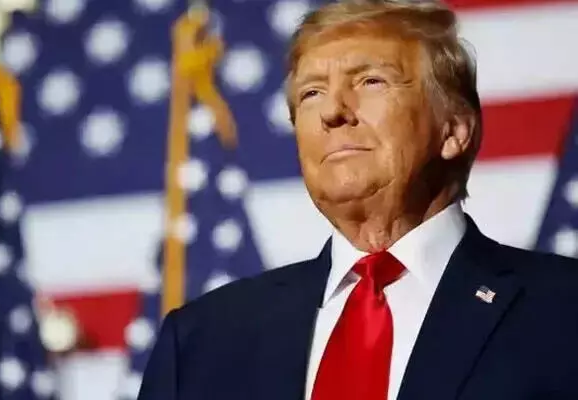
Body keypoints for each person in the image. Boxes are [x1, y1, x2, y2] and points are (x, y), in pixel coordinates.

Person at [137, 1, 578, 399]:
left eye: (370, 81)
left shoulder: (562, 310)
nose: (333, 112)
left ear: (454, 130)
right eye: (311, 93)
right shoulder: (201, 341)